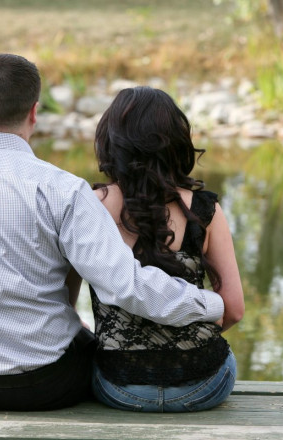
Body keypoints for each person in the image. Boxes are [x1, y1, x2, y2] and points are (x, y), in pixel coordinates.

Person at [0, 54, 225, 411]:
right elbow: (125, 286)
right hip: (47, 383)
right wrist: (212, 303)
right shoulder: (63, 190)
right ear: (34, 111)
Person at [76, 86, 245, 412]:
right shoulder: (204, 210)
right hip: (205, 383)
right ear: (175, 141)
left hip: (119, 386)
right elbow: (234, 309)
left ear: (111, 141)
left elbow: (65, 310)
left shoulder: (91, 206)